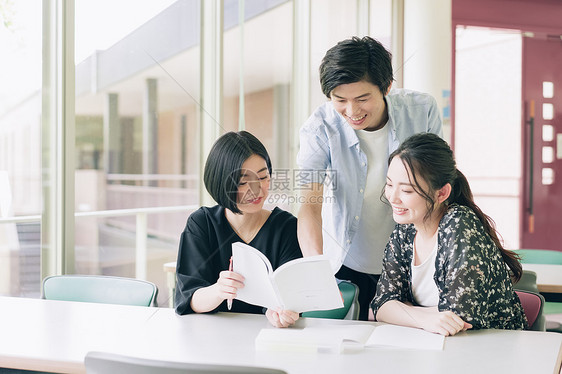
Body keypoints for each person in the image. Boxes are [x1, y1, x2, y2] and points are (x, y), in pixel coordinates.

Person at [296, 36, 442, 320]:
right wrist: (315, 267)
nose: (352, 111)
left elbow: (436, 188)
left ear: (386, 87)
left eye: (362, 99)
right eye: (340, 100)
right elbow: (309, 204)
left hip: (411, 262)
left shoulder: (421, 110)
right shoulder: (320, 127)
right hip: (348, 263)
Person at [371, 133, 527, 335]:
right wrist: (426, 318)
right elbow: (382, 304)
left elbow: (460, 318)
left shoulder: (458, 224)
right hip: (434, 346)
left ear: (441, 193)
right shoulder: (405, 230)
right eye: (390, 184)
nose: (393, 197)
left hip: (493, 349)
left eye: (407, 191)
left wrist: (406, 310)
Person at [175, 131, 301, 328]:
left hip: (268, 339)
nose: (257, 190)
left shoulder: (286, 227)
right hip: (210, 339)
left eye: (262, 177)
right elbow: (190, 298)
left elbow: (291, 295)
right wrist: (219, 290)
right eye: (242, 182)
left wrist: (282, 312)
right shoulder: (201, 224)